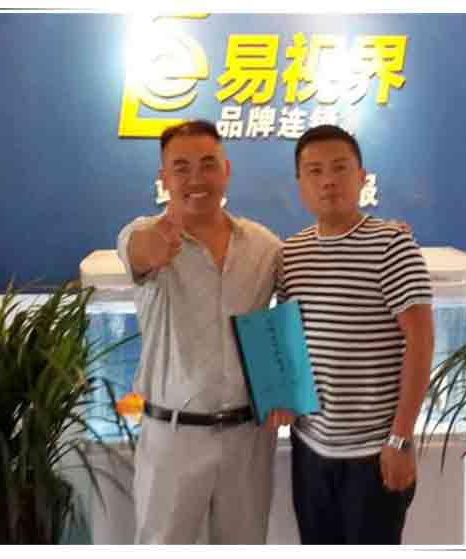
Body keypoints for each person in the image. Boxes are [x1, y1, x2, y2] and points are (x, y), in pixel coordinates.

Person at [116, 120, 293, 544]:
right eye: (181, 167)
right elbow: (140, 252)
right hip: (172, 437)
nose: (196, 178)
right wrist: (156, 246)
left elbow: (289, 314)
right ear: (164, 178)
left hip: (247, 438)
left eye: (208, 164)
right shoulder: (142, 234)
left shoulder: (264, 245)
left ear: (226, 170)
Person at [277, 125, 435, 545]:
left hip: (374, 453)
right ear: (300, 183)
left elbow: (421, 341)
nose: (328, 180)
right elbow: (288, 341)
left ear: (362, 177)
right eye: (314, 171)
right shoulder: (290, 254)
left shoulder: (392, 245)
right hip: (310, 448)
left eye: (339, 168)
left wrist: (400, 438)